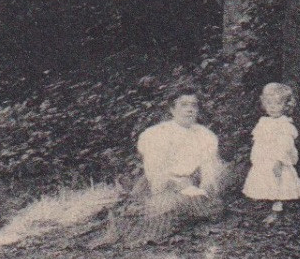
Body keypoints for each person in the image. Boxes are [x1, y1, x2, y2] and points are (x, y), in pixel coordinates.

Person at [88, 92, 225, 247]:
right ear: (172, 110)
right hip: (161, 184)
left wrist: (205, 188)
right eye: (184, 105)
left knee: (208, 206)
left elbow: (209, 169)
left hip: (190, 182)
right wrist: (175, 185)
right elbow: (155, 171)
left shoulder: (205, 135)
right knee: (159, 210)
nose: (190, 110)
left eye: (194, 105)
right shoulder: (157, 134)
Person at [242, 83, 300, 223]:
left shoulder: (284, 124)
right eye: (269, 103)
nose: (272, 107)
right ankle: (268, 205)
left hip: (277, 159)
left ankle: (277, 209)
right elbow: (259, 140)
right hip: (264, 158)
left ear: (286, 106)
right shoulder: (264, 122)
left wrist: (279, 160)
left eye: (277, 103)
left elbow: (285, 145)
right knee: (266, 182)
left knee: (279, 183)